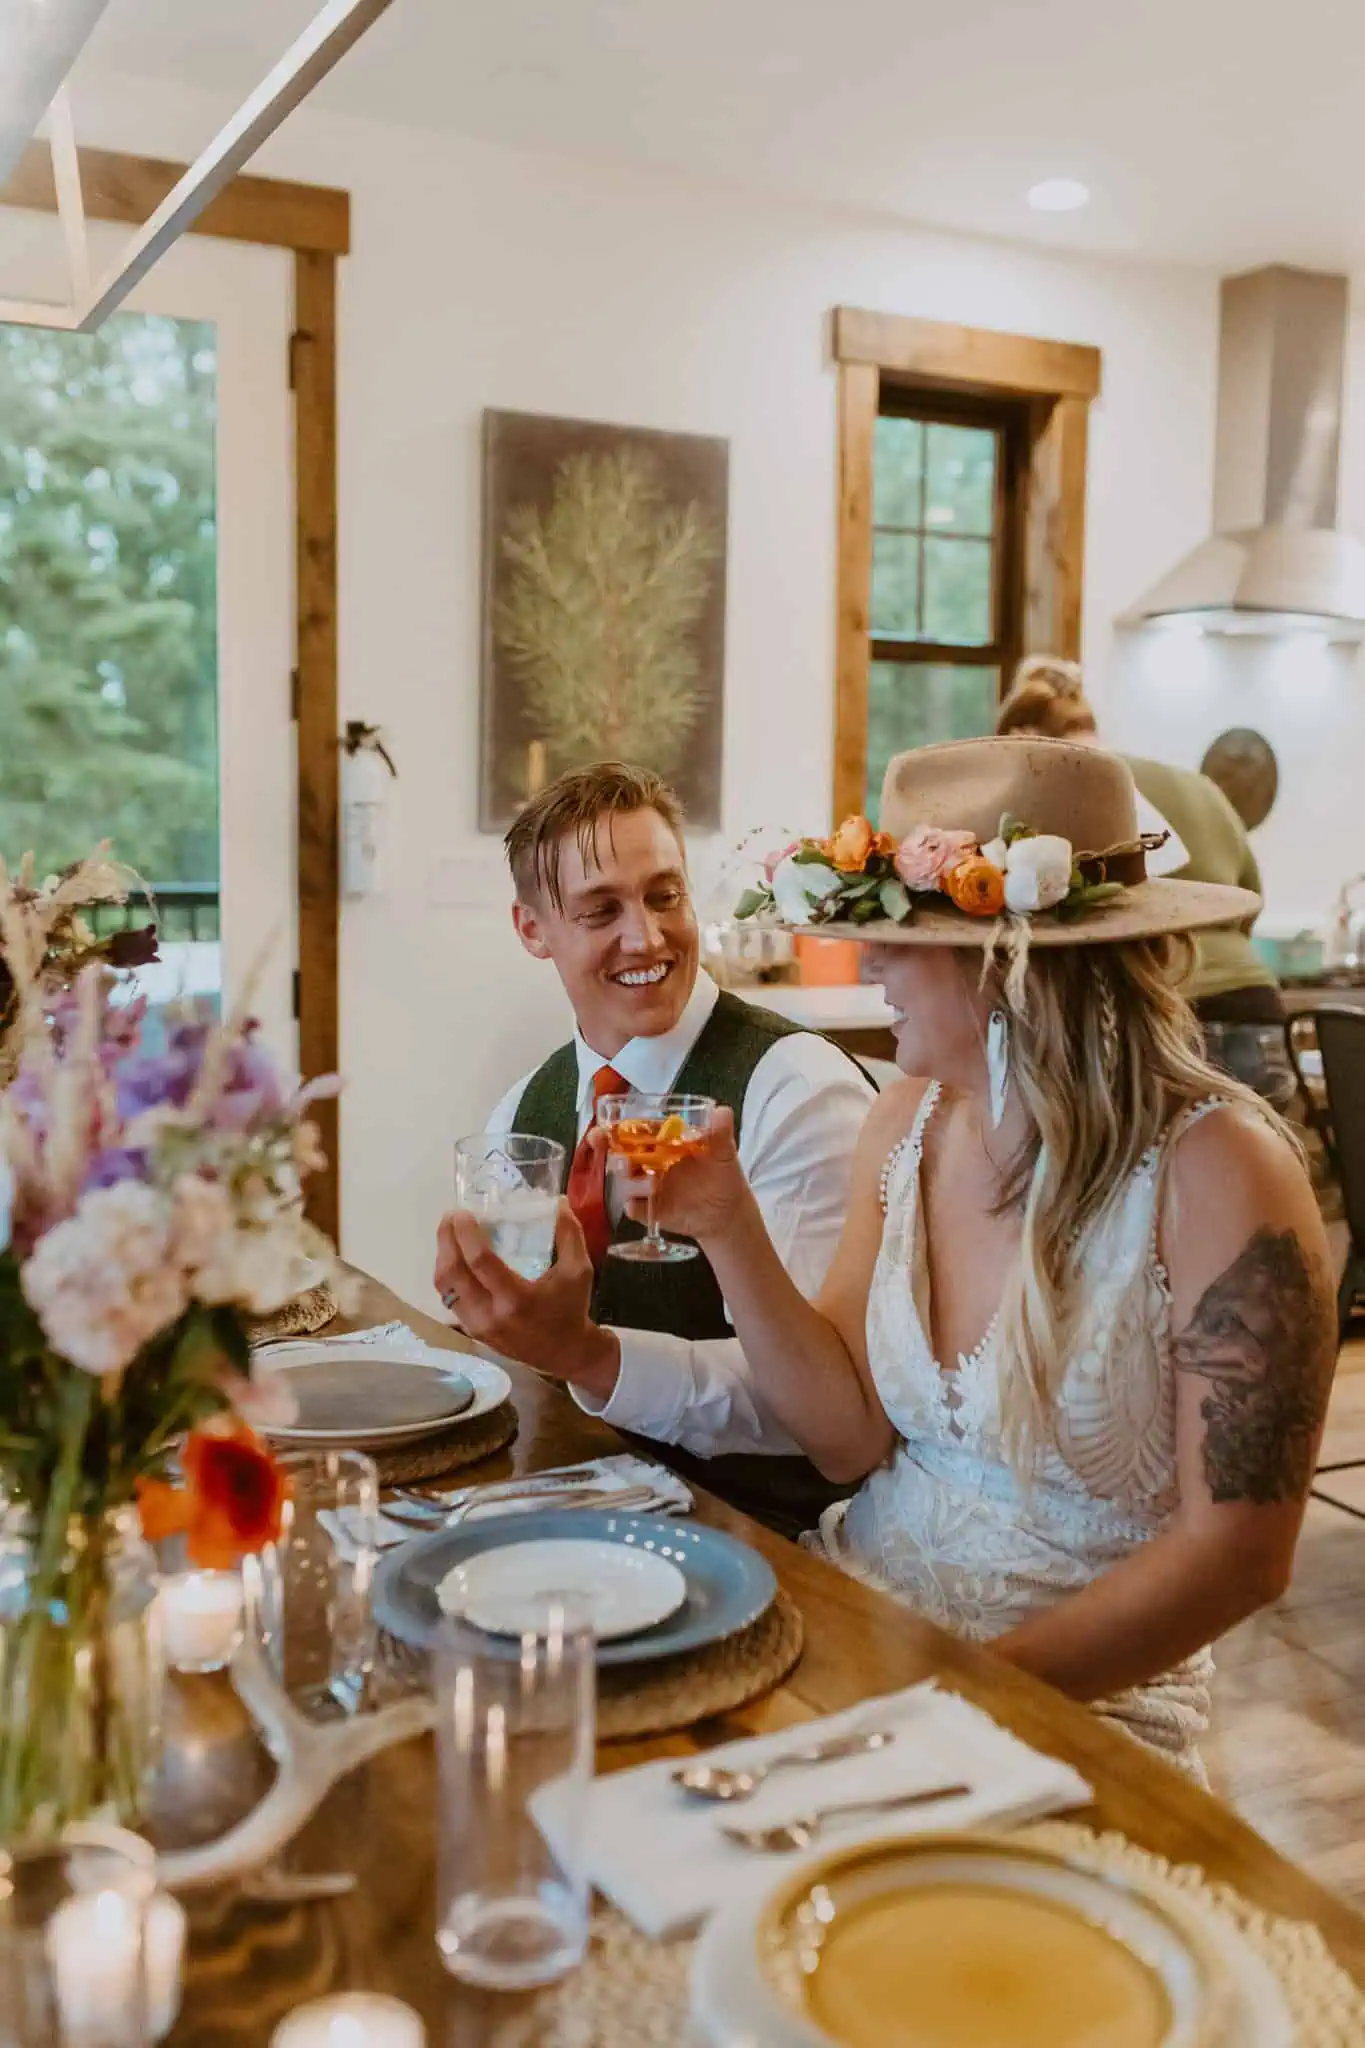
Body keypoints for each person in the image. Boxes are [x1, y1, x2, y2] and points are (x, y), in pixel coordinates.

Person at [514, 738, 1338, 1777]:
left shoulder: (1222, 1168)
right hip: (850, 1613)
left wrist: (956, 1695)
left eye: (905, 940)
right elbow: (846, 1442)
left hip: (1073, 1700)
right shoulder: (905, 1119)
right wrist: (727, 1227)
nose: (870, 966)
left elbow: (1239, 1558)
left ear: (1011, 957)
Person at [433, 762, 878, 1538]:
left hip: (771, 1531)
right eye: (600, 910)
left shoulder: (796, 1090)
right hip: (578, 1505)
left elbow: (825, 1411)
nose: (646, 936)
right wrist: (492, 1318)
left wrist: (590, 1356)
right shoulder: (520, 1113)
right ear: (532, 930)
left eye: (664, 896)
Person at [994, 654, 1295, 1114]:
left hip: (1173, 1014)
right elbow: (1250, 898)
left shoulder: (1068, 794)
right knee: (1261, 1154)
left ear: (1021, 739)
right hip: (1258, 1007)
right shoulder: (1197, 785)